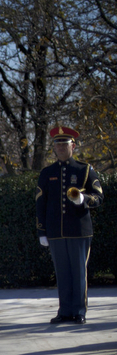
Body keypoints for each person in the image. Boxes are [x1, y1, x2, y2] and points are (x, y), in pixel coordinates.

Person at [36, 125, 104, 324]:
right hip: (56, 232)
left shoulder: (84, 170)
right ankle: (64, 310)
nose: (61, 148)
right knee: (63, 273)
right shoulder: (47, 173)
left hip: (79, 231)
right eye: (57, 144)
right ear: (54, 148)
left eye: (64, 144)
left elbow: (99, 196)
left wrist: (83, 199)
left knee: (79, 272)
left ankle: (79, 311)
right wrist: (42, 231)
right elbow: (41, 203)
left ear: (72, 146)